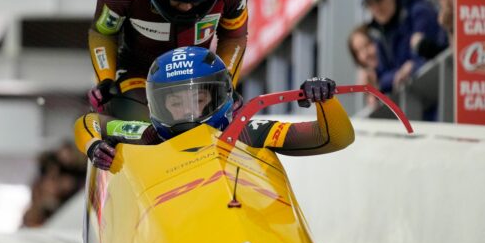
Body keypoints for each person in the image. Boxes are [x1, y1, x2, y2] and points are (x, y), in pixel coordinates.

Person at [75, 47, 354, 170]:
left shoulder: (246, 132)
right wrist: (92, 147)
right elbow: (91, 121)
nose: (187, 111)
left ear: (219, 97)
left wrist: (325, 100)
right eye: (175, 102)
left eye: (197, 99)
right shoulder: (148, 135)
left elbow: (334, 137)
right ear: (157, 105)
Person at [87, 0, 249, 120]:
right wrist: (105, 79)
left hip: (197, 77)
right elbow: (103, 33)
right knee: (143, 129)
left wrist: (227, 83)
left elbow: (234, 37)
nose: (187, 7)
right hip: (139, 76)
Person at [358, 0, 446, 94]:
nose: (376, 7)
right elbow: (381, 78)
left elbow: (432, 56)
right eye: (368, 3)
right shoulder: (376, 31)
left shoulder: (418, 12)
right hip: (409, 102)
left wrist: (413, 67)